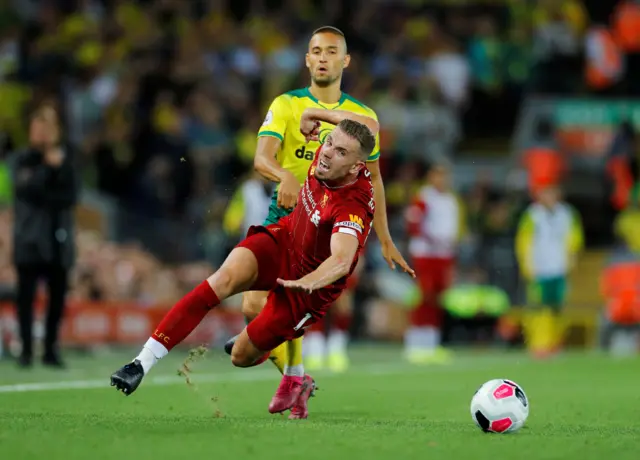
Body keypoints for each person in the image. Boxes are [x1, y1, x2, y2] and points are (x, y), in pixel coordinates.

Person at [110, 118, 377, 420]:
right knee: (221, 281)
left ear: (356, 166)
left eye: (340, 151)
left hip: (305, 287)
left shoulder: (353, 204)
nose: (327, 153)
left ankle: (291, 374)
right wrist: (314, 113)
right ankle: (140, 363)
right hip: (283, 239)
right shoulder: (329, 154)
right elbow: (367, 127)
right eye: (329, 142)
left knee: (241, 357)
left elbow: (341, 260)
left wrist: (307, 282)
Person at [225, 25, 414, 408]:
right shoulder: (285, 103)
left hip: (335, 223)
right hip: (287, 214)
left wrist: (386, 237)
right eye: (316, 50)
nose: (323, 57)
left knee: (312, 298)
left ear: (345, 61)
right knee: (251, 306)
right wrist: (285, 175)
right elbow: (261, 159)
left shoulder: (363, 117)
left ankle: (315, 361)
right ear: (307, 58)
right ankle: (297, 376)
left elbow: (374, 182)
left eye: (331, 51)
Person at [10, 104, 79, 368]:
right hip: (29, 239)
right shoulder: (21, 159)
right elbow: (26, 189)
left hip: (58, 241)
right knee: (25, 298)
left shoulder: (66, 161)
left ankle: (51, 349)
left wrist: (55, 171)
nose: (42, 134)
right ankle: (26, 350)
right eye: (38, 128)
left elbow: (71, 197)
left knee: (57, 298)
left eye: (47, 128)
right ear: (30, 131)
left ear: (56, 132)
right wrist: (49, 170)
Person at [515, 184, 584, 358]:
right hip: (539, 269)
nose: (549, 197)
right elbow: (523, 241)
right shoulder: (532, 215)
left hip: (560, 268)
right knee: (539, 308)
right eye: (545, 193)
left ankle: (555, 343)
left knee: (557, 308)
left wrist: (573, 257)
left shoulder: (567, 214)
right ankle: (539, 344)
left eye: (552, 193)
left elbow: (575, 238)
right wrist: (527, 265)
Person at [404, 164, 463, 364]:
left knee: (439, 298)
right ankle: (415, 344)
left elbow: (455, 230)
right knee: (424, 295)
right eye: (438, 176)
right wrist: (431, 238)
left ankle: (431, 344)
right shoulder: (424, 197)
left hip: (444, 255)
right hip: (426, 254)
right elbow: (413, 223)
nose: (442, 180)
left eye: (445, 176)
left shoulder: (451, 200)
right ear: (431, 177)